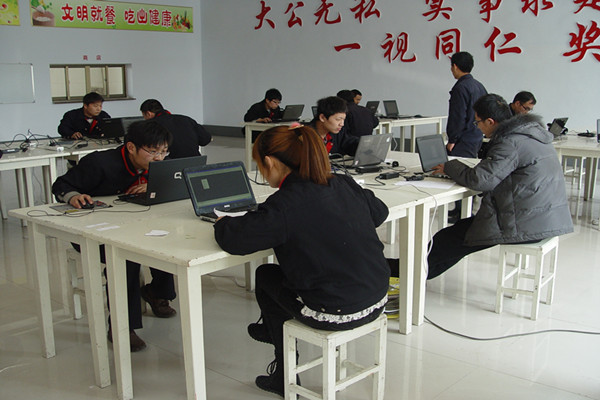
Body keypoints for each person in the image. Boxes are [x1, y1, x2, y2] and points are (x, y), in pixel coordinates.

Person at [213, 124, 390, 396]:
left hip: (335, 311)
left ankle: (282, 370)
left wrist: (222, 223)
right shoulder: (342, 183)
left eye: (260, 165)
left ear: (270, 162)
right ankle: (270, 329)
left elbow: (234, 241)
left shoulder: (284, 204)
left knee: (265, 275)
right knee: (284, 273)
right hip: (377, 297)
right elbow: (380, 212)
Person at [52, 120, 178, 352]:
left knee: (166, 241)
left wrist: (152, 184)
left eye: (164, 151)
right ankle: (122, 326)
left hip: (135, 226)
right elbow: (61, 185)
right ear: (131, 147)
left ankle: (157, 292)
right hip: (94, 231)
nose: (160, 158)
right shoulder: (99, 163)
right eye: (153, 152)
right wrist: (73, 196)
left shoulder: (158, 164)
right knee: (125, 258)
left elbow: (174, 182)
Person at [425, 94, 573, 279]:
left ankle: (407, 275)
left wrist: (450, 166)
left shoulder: (510, 142)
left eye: (477, 122)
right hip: (547, 215)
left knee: (449, 239)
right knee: (458, 233)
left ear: (490, 121)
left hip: (526, 222)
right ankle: (413, 272)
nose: (477, 127)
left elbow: (481, 181)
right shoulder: (532, 134)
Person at [446, 52, 488, 158]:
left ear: (455, 66)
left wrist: (452, 140)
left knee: (457, 166)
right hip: (477, 136)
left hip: (463, 139)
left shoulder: (460, 88)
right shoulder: (479, 86)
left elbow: (458, 116)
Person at [140, 99, 212, 159]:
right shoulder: (186, 119)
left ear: (148, 114)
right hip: (196, 163)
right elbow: (205, 139)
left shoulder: (151, 124)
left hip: (170, 166)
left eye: (144, 116)